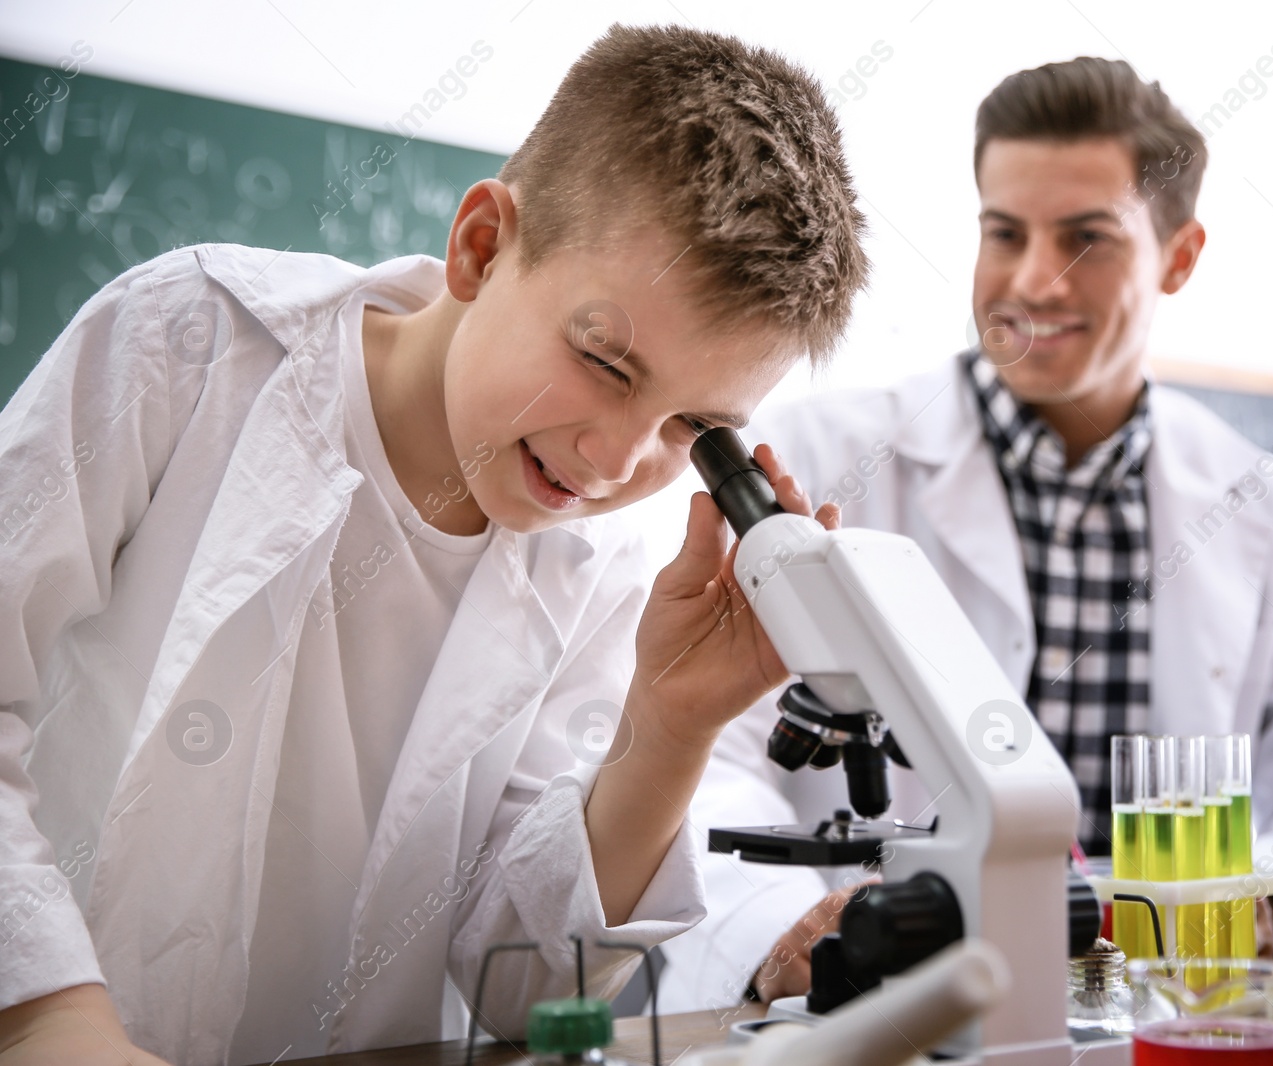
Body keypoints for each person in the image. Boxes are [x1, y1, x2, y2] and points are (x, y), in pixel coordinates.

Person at [0, 25, 867, 1066]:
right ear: (481, 246)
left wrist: (671, 725)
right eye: (604, 361)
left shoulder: (602, 572)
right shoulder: (187, 344)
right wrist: (47, 1008)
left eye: (691, 427)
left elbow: (523, 990)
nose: (615, 457)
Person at [655, 55, 1273, 1012]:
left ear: (1179, 256)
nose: (1035, 282)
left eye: (1087, 239)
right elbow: (703, 754)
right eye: (1005, 234)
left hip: (1176, 1017)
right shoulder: (818, 458)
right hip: (879, 1014)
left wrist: (1234, 903)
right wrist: (785, 926)